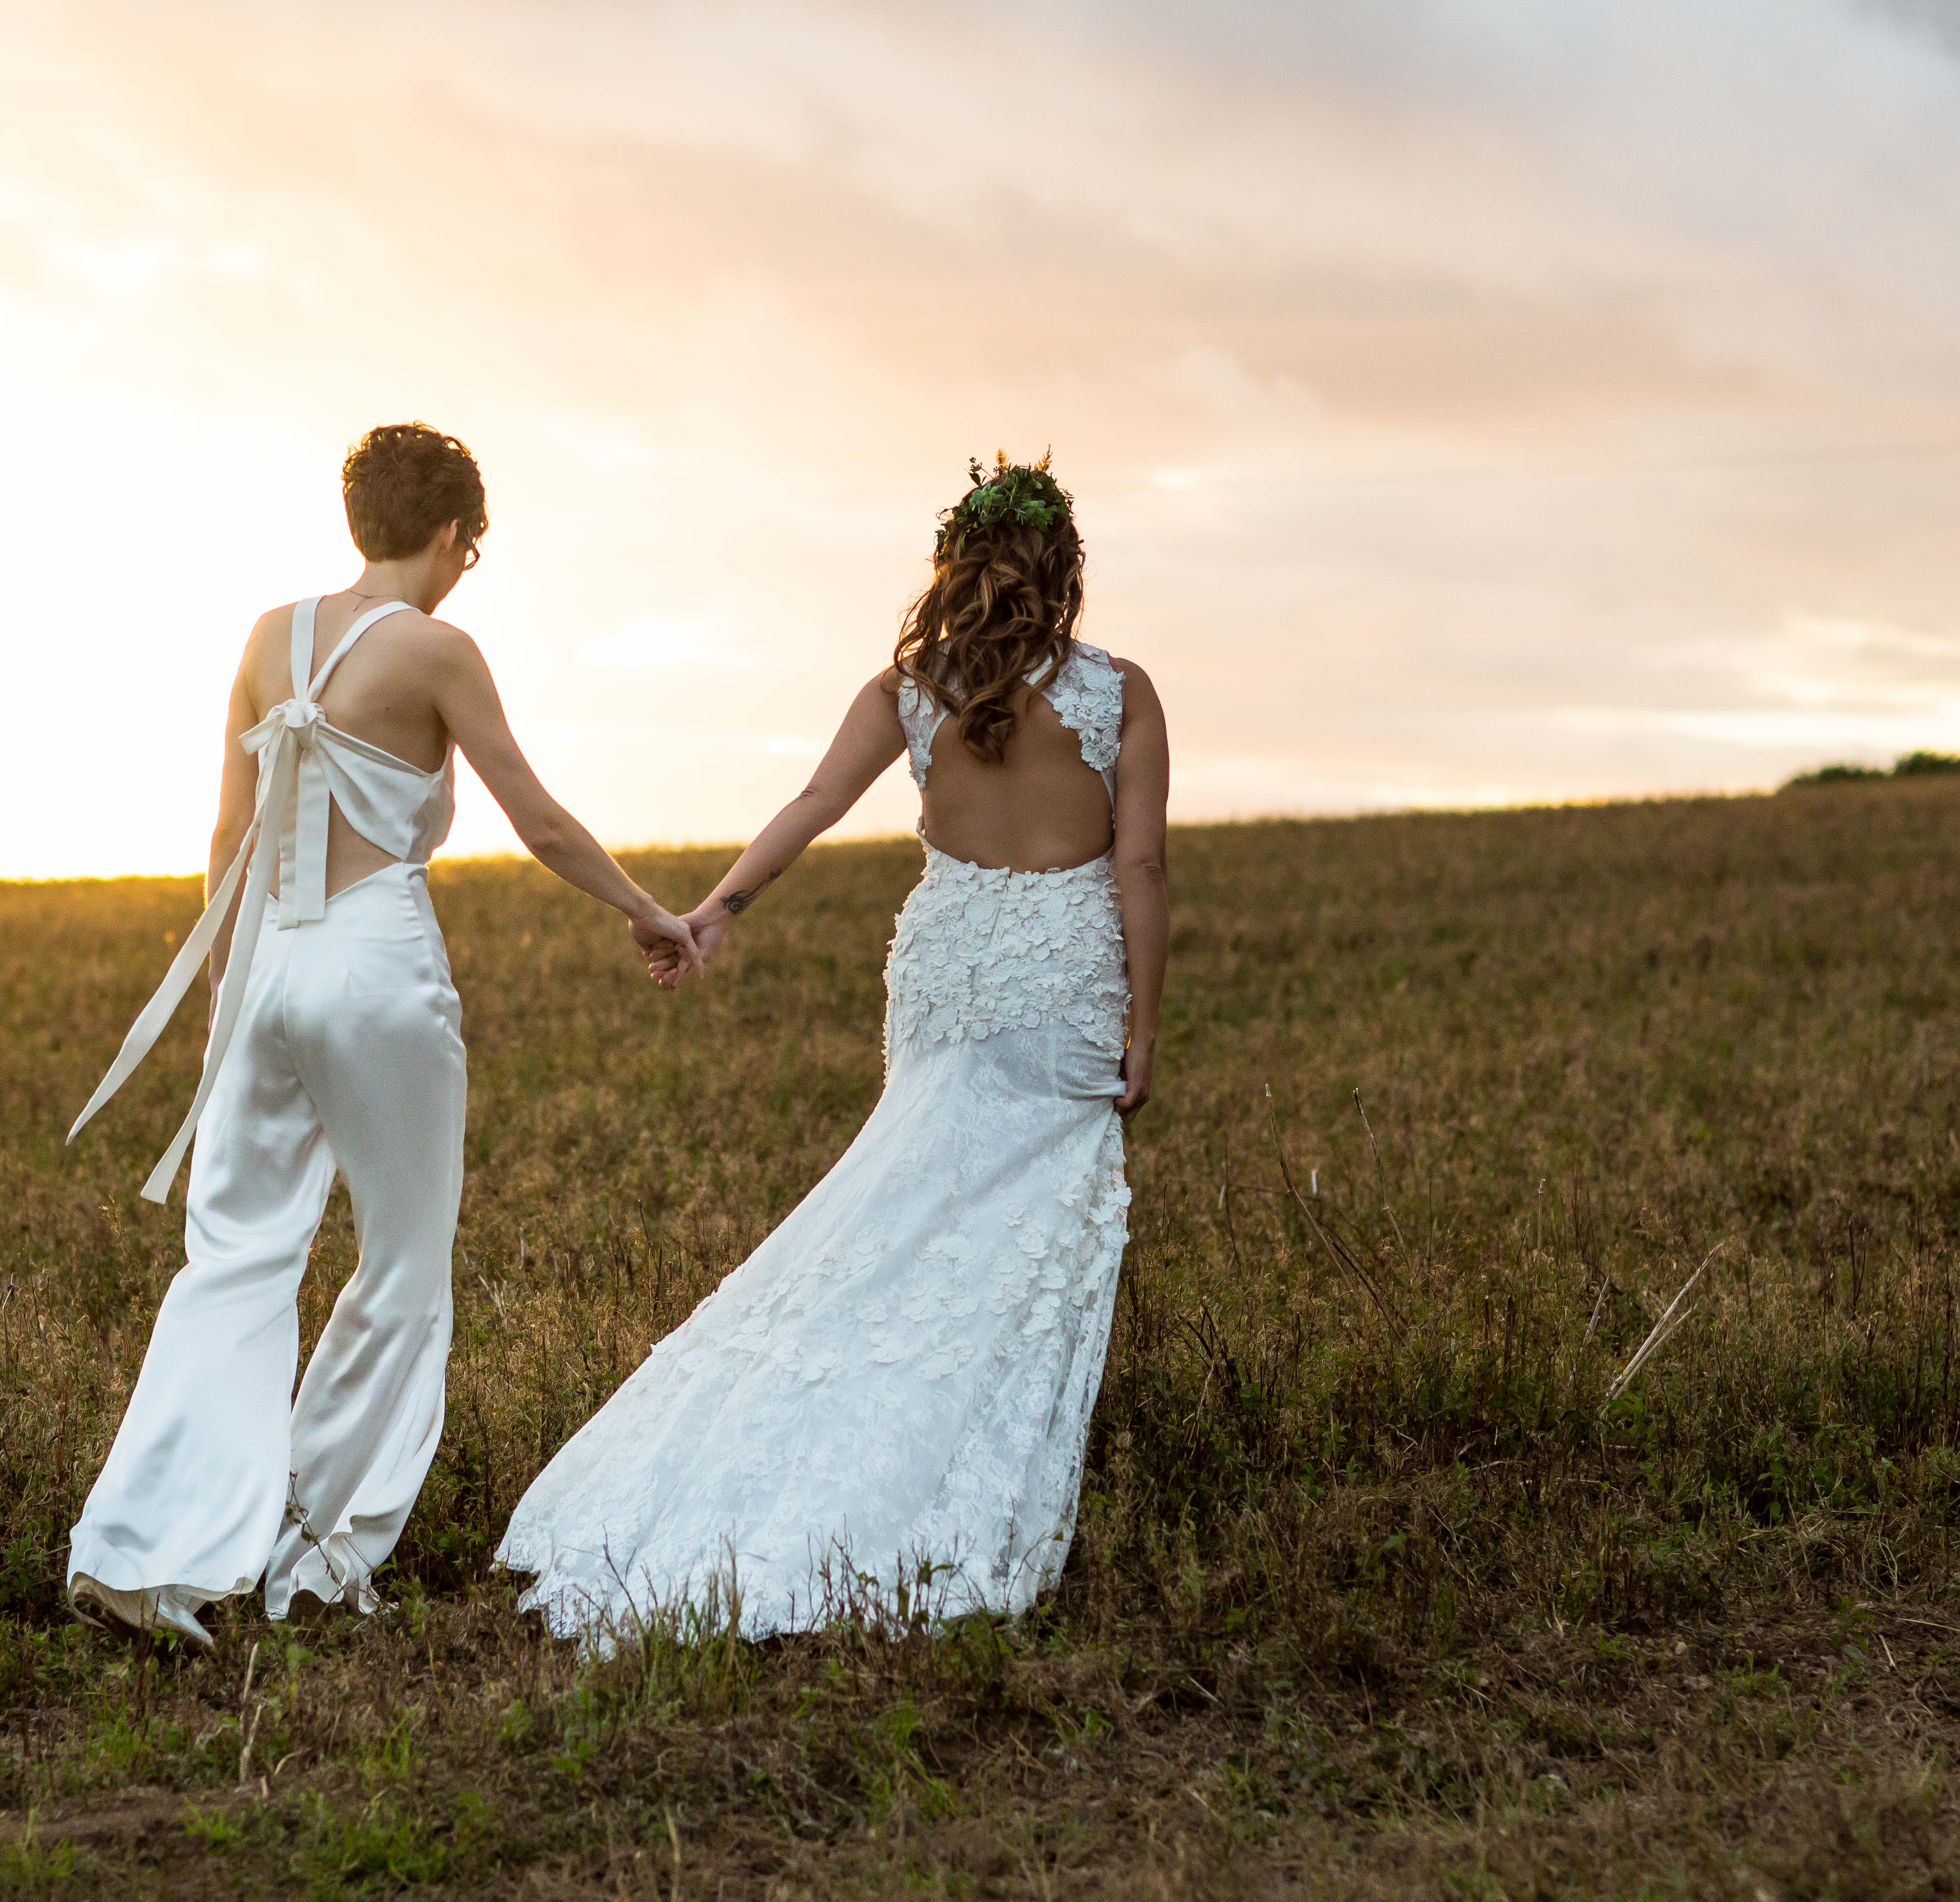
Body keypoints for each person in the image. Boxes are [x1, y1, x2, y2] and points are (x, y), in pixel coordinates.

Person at [496, 452, 1170, 1642]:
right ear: (1065, 571)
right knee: (1015, 1236)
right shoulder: (1124, 694)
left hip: (953, 978)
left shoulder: (908, 691)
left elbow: (813, 806)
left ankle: (811, 1437)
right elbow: (1141, 869)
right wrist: (1145, 1024)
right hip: (1061, 985)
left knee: (900, 1208)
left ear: (953, 565)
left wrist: (717, 912)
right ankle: (934, 1467)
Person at [63, 423, 702, 1643]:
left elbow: (226, 839)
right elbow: (542, 821)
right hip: (375, 968)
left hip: (263, 970)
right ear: (456, 535)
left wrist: (228, 996)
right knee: (403, 1264)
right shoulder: (440, 652)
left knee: (235, 1261)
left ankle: (143, 1554)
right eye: (476, 545)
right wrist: (648, 912)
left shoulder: (266, 636)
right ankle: (316, 1557)